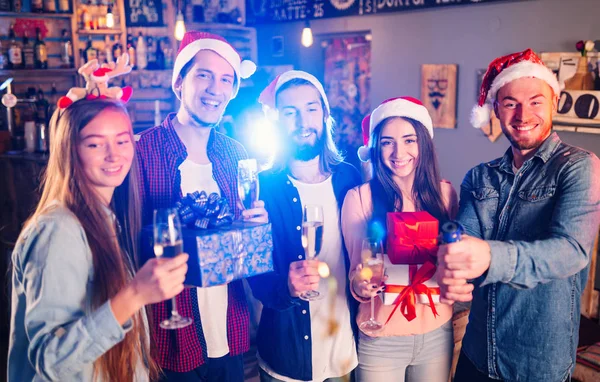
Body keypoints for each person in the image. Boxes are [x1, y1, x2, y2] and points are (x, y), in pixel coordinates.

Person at [437, 48, 600, 382]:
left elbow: (571, 251)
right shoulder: (479, 177)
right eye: (510, 102)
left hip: (538, 365)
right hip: (476, 355)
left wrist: (488, 255)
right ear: (495, 109)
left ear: (554, 102)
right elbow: (463, 246)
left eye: (536, 101)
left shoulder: (579, 167)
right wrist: (452, 267)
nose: (523, 114)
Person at [8, 96, 188, 381]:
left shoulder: (105, 219)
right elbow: (49, 359)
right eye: (95, 144)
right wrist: (134, 295)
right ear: (70, 151)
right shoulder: (58, 229)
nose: (113, 155)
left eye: (122, 140)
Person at [135, 31, 266, 381]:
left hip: (230, 330)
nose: (215, 89)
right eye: (204, 75)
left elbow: (241, 248)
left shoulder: (236, 154)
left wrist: (255, 230)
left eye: (226, 79)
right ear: (179, 82)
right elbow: (127, 246)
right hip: (169, 339)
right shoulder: (142, 152)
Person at [248, 70, 361, 381]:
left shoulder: (349, 178)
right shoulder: (262, 188)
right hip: (286, 358)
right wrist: (286, 286)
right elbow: (256, 279)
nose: (302, 122)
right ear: (276, 120)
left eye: (311, 108)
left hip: (343, 351)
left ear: (324, 114)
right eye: (290, 112)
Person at [342, 96, 458, 382]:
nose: (398, 152)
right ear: (375, 148)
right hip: (381, 336)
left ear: (424, 144)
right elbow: (356, 273)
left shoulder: (446, 196)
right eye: (387, 142)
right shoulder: (359, 199)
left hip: (437, 331)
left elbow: (454, 262)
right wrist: (361, 284)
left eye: (409, 140)